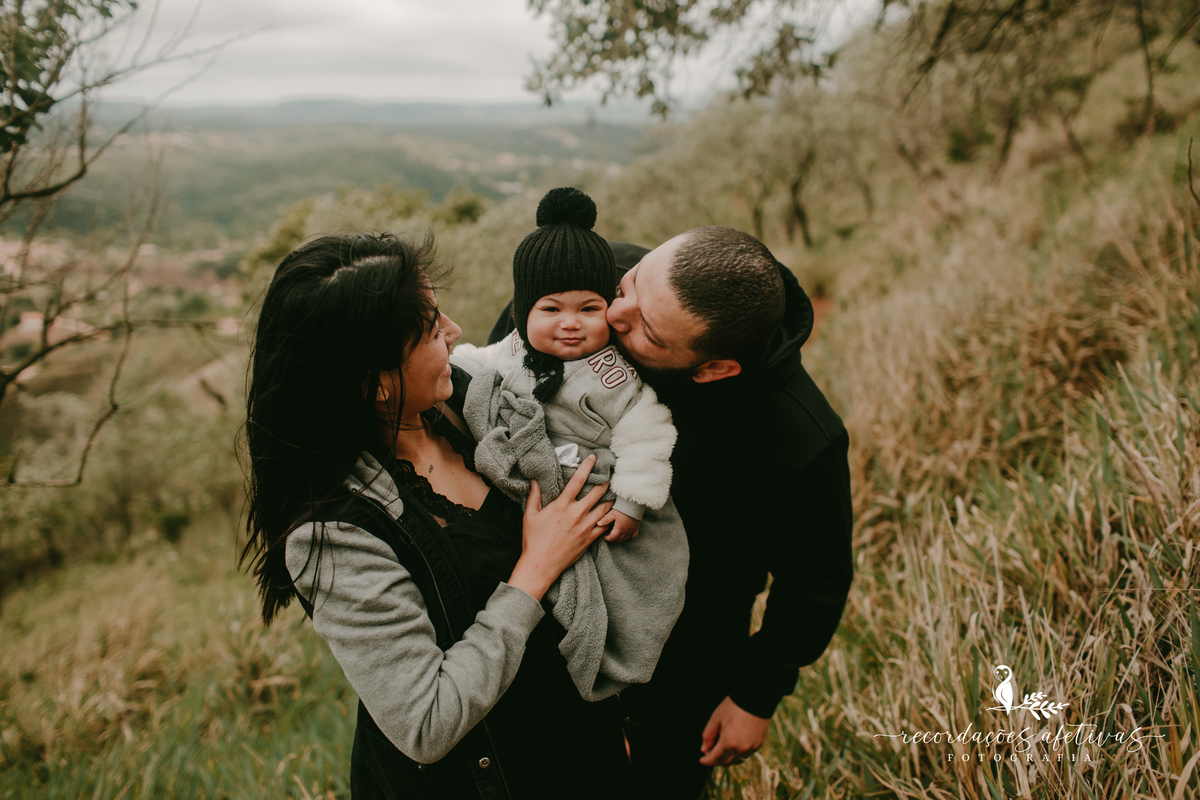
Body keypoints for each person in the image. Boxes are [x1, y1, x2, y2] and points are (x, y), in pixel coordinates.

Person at [241, 232, 631, 799]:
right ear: (374, 383)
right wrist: (534, 570)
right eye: (429, 328)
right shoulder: (334, 534)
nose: (454, 329)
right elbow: (425, 722)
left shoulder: (469, 402)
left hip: (579, 748)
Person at [487, 225, 855, 798]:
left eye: (644, 331)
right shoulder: (596, 283)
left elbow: (818, 580)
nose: (612, 315)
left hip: (687, 654)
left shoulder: (799, 441)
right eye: (629, 287)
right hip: (550, 617)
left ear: (713, 369)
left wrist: (756, 695)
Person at [451, 186, 687, 702]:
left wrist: (631, 500)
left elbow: (648, 434)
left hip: (602, 498)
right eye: (551, 308)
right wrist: (443, 364)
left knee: (624, 577)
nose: (571, 323)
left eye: (589, 307)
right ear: (523, 313)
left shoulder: (614, 375)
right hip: (543, 491)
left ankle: (618, 648)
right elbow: (476, 361)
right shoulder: (512, 350)